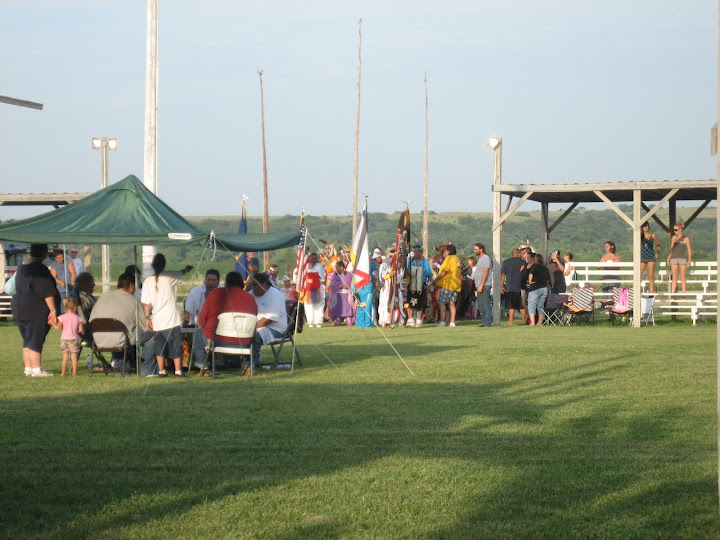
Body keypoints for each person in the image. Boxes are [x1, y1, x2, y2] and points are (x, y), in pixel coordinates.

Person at [141, 253, 193, 378]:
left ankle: (161, 371)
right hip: (171, 320)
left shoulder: (147, 281)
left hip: (156, 320)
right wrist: (187, 269)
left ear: (152, 266)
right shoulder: (169, 277)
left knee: (159, 346)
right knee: (175, 346)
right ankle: (178, 371)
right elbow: (181, 273)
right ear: (164, 265)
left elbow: (146, 304)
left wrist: (147, 318)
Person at [12, 244, 60, 377]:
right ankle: (37, 370)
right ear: (44, 253)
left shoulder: (22, 266)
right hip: (34, 308)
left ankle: (28, 368)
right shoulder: (39, 269)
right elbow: (47, 292)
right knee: (35, 339)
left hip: (19, 306)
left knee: (27, 339)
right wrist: (53, 310)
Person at [198, 271, 258, 372]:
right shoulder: (250, 298)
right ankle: (247, 366)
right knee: (256, 336)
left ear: (226, 282)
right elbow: (254, 320)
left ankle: (203, 367)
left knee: (198, 333)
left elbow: (202, 321)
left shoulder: (215, 293)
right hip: (244, 341)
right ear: (241, 283)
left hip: (217, 341)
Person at [90, 272, 149, 372]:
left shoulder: (104, 296)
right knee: (151, 336)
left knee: (122, 332)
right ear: (131, 285)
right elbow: (144, 325)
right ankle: (148, 369)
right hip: (121, 339)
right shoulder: (132, 300)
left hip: (98, 339)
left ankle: (121, 366)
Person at [247, 273, 288, 372]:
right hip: (256, 325)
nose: (252, 288)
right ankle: (237, 360)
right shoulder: (251, 293)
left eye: (255, 285)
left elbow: (269, 319)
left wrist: (250, 329)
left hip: (276, 328)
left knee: (255, 335)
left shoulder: (275, 294)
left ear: (264, 284)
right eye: (251, 285)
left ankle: (253, 361)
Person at [51, 297, 83, 376]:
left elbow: (57, 328)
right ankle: (74, 373)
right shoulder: (78, 318)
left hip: (64, 339)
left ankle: (63, 373)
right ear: (75, 307)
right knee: (74, 356)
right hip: (74, 338)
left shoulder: (62, 317)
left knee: (65, 356)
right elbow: (80, 330)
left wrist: (51, 322)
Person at [431, 244, 462, 327]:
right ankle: (452, 322)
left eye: (445, 251)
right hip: (456, 285)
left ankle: (442, 321)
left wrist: (435, 280)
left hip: (448, 284)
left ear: (448, 251)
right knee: (451, 303)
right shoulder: (457, 259)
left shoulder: (449, 258)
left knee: (441, 303)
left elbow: (444, 271)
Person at [406, 244, 433, 327]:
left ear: (421, 252)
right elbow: (406, 272)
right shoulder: (410, 261)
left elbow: (429, 276)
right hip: (412, 285)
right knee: (412, 302)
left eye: (418, 251)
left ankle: (418, 320)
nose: (416, 253)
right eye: (415, 251)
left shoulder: (425, 262)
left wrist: (429, 286)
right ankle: (411, 320)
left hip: (421, 285)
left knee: (420, 303)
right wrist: (408, 272)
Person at [68, 272, 96, 344]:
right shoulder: (80, 297)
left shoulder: (85, 295)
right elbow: (82, 319)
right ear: (83, 283)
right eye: (91, 282)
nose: (94, 285)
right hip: (90, 331)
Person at [500, 248, 525, 325]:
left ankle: (511, 321)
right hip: (520, 285)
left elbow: (503, 275)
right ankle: (523, 320)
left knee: (511, 305)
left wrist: (501, 286)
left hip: (510, 286)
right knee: (521, 305)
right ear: (518, 254)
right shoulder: (523, 262)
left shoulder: (506, 262)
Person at [302, 252, 326, 327]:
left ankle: (318, 321)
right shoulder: (305, 266)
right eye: (313, 258)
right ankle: (310, 322)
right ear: (309, 258)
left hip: (318, 287)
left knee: (319, 304)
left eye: (315, 259)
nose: (314, 260)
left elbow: (323, 276)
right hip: (308, 288)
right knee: (308, 305)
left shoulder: (319, 266)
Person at [667, 222, 692, 293]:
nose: (674, 231)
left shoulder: (686, 238)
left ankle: (684, 295)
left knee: (682, 277)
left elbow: (689, 249)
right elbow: (671, 249)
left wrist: (689, 260)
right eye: (674, 230)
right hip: (674, 258)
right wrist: (668, 259)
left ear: (680, 230)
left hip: (682, 258)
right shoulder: (673, 238)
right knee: (674, 277)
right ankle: (673, 294)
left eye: (676, 230)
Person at [472, 243, 493, 327]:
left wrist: (481, 285)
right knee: (481, 304)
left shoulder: (485, 258)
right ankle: (485, 322)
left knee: (485, 304)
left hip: (484, 285)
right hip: (480, 285)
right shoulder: (481, 259)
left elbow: (486, 271)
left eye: (476, 249)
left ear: (481, 249)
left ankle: (487, 323)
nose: (474, 251)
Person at [328, 261, 355, 326]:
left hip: (347, 294)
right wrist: (339, 286)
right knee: (338, 307)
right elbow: (332, 285)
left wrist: (347, 286)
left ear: (342, 267)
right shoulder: (334, 276)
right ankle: (338, 319)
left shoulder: (349, 275)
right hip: (338, 294)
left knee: (348, 307)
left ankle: (348, 318)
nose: (336, 269)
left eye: (337, 267)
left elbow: (352, 283)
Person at [527, 254, 550, 326]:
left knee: (532, 305)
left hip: (535, 288)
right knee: (540, 305)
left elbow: (531, 274)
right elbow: (548, 279)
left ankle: (533, 322)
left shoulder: (534, 266)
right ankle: (540, 322)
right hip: (544, 288)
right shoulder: (545, 268)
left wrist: (530, 281)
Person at [641, 222, 662, 293]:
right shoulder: (640, 235)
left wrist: (658, 252)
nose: (646, 228)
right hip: (642, 256)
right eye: (644, 226)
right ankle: (638, 290)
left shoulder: (653, 235)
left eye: (647, 226)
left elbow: (658, 243)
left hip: (650, 256)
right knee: (639, 274)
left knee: (651, 275)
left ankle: (651, 292)